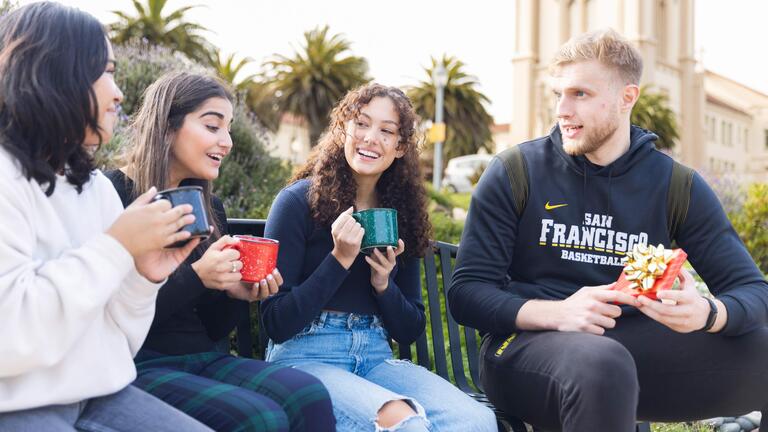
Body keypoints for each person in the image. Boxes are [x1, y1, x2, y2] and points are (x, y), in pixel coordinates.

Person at [449, 28, 768, 432]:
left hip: (636, 353)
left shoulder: (675, 185)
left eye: (580, 94)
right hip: (523, 349)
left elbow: (754, 292)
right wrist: (559, 313)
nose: (562, 109)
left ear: (627, 98)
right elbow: (466, 293)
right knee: (603, 363)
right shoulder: (516, 171)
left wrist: (707, 313)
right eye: (557, 94)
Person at [0, 3, 212, 431]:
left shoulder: (94, 187)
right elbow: (9, 338)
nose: (117, 93)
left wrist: (142, 277)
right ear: (55, 75)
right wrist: (116, 247)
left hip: (103, 393)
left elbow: (119, 339)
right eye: (105, 72)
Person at [106, 71, 335, 432]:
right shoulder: (110, 193)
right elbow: (109, 308)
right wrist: (197, 277)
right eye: (213, 126)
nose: (226, 142)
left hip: (202, 356)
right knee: (260, 417)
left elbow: (213, 326)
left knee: (308, 393)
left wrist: (235, 293)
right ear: (167, 127)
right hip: (135, 361)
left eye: (228, 128)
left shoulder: (210, 207)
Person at [261, 83, 497, 431]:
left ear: (400, 146)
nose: (371, 138)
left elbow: (409, 329)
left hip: (374, 356)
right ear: (344, 130)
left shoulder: (401, 215)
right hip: (303, 357)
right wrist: (339, 260)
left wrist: (384, 285)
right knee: (407, 425)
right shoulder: (297, 203)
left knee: (476, 421)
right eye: (361, 124)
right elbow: (275, 323)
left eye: (386, 131)